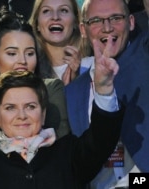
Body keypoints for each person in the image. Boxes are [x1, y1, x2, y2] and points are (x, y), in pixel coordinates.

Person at [0, 47, 124, 188]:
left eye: (30, 106)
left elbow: (102, 139)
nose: (22, 115)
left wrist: (104, 88)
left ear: (43, 115)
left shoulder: (68, 154)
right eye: (10, 108)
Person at [65, 0, 149, 188]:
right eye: (96, 20)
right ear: (83, 30)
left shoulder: (145, 56)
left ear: (132, 22)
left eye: (116, 18)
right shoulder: (71, 92)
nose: (107, 27)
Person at [0, 7, 70, 140]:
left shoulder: (51, 91)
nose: (23, 61)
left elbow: (62, 148)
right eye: (12, 53)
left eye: (29, 53)